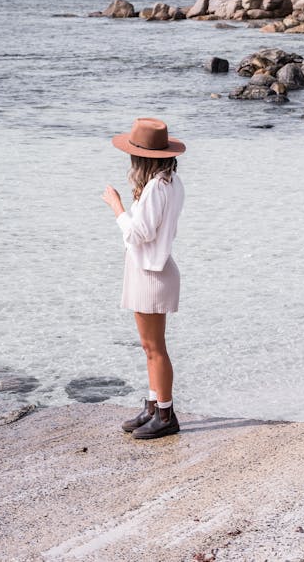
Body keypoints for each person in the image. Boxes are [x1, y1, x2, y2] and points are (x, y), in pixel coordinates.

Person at [102, 117, 186, 439]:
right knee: (150, 346)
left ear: (141, 157)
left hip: (150, 272)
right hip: (153, 268)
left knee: (154, 347)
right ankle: (153, 407)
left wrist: (117, 206)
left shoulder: (155, 188)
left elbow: (138, 234)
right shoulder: (170, 182)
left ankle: (165, 415)